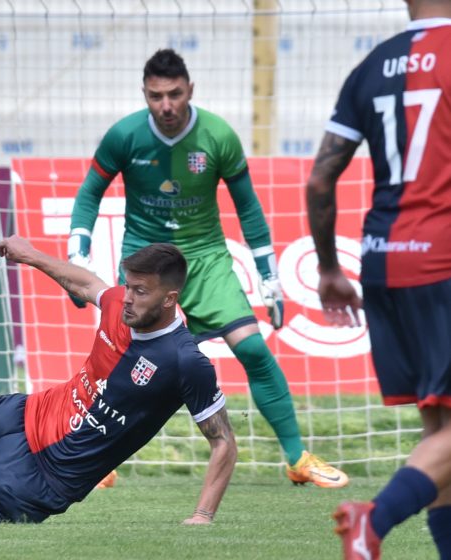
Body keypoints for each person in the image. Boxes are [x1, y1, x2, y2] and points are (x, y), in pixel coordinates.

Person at [68, 48, 347, 488]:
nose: (166, 106)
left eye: (175, 94)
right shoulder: (124, 136)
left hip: (207, 261)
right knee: (122, 368)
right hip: (148, 266)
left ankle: (297, 458)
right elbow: (88, 195)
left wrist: (269, 276)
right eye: (156, 96)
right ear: (144, 93)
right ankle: (94, 459)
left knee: (253, 349)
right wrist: (77, 253)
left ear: (190, 90)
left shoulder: (218, 135)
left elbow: (249, 209)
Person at [0, 235, 237, 524]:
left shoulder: (185, 361)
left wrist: (202, 516)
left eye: (140, 292)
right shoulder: (118, 306)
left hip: (39, 477)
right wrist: (29, 254)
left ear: (170, 298)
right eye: (128, 286)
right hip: (20, 414)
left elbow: (223, 443)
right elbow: (85, 283)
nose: (127, 299)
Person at [305, 1, 451, 557]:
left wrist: (327, 268)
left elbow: (320, 181)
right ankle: (374, 519)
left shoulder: (371, 66)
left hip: (384, 260)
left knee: (440, 435)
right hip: (443, 259)